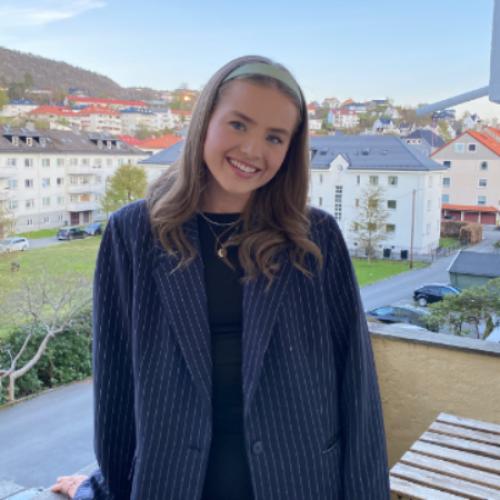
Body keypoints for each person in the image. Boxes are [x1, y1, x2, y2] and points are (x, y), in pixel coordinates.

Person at [51, 55, 389, 499]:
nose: (253, 150)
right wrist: (106, 489)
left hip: (299, 481)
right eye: (239, 125)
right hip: (173, 486)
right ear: (205, 120)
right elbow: (115, 386)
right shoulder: (132, 233)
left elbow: (357, 388)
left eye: (274, 137)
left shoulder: (315, 238)